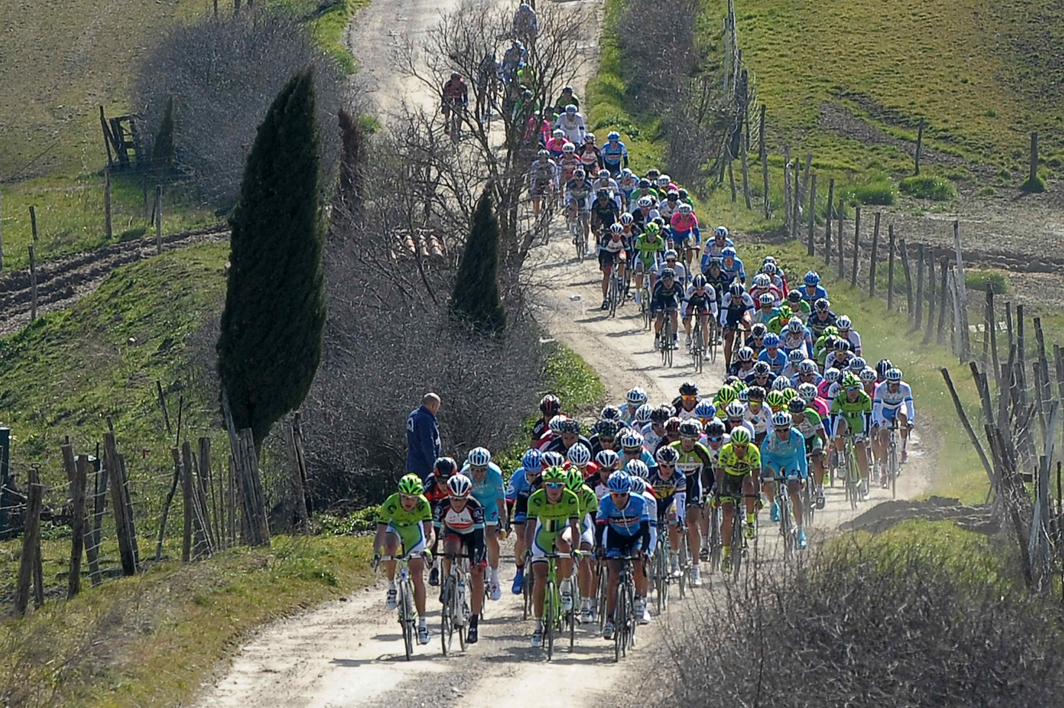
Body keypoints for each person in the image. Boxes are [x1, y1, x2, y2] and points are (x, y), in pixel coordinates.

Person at [373, 474, 435, 645]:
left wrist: (427, 549)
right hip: (395, 529)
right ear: (399, 495)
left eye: (413, 498)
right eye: (405, 497)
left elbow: (430, 533)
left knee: (417, 576)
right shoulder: (390, 504)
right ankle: (392, 586)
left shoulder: (423, 504)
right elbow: (380, 533)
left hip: (415, 531)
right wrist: (376, 552)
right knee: (390, 547)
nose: (409, 502)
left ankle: (423, 623)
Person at [524, 466, 583, 648]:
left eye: (559, 485)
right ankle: (538, 625)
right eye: (550, 485)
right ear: (544, 486)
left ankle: (565, 586)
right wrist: (527, 549)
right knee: (540, 579)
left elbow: (575, 527)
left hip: (562, 533)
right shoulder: (536, 499)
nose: (555, 489)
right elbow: (531, 527)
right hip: (542, 538)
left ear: (564, 486)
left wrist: (577, 550)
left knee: (564, 544)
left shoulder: (571, 499)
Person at [596, 471, 651, 640]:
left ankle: (638, 599)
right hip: (615, 538)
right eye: (615, 494)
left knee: (638, 561)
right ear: (610, 493)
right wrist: (599, 548)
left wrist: (645, 550)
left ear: (629, 492)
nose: (619, 498)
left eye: (623, 494)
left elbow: (646, 530)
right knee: (613, 573)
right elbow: (600, 529)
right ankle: (610, 619)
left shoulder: (639, 501)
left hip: (635, 538)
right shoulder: (605, 503)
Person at [434, 474, 487, 643]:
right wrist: (434, 561)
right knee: (449, 550)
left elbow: (480, 539)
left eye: (462, 499)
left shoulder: (475, 507)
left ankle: (474, 622)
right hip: (453, 533)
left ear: (468, 496)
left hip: (473, 537)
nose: (458, 503)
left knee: (477, 573)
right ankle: (449, 581)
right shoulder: (441, 506)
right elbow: (434, 535)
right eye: (454, 499)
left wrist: (477, 559)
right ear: (448, 496)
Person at [667, 419, 714, 586]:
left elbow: (709, 475)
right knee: (673, 521)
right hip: (673, 488)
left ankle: (695, 568)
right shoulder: (672, 450)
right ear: (680, 438)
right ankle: (674, 558)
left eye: (692, 440)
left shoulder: (701, 451)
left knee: (692, 522)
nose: (688, 443)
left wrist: (708, 494)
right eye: (685, 439)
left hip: (693, 487)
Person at [461, 447, 508, 600]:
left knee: (490, 536)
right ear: (470, 467)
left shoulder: (495, 475)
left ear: (488, 467)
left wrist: (504, 524)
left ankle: (494, 577)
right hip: (472, 504)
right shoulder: (464, 474)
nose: (478, 474)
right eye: (474, 469)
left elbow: (501, 503)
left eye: (482, 470)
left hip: (490, 505)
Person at [760, 411, 809, 549]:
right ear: (774, 429)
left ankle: (800, 530)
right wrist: (764, 477)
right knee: (768, 479)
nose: (782, 433)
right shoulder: (770, 439)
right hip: (773, 460)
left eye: (785, 429)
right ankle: (773, 504)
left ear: (790, 427)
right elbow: (764, 457)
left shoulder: (797, 437)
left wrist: (803, 477)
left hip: (790, 462)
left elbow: (801, 458)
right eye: (779, 430)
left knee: (794, 492)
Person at [714, 428, 761, 572]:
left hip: (744, 477)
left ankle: (750, 521)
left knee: (749, 485)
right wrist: (719, 493)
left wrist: (756, 495)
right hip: (729, 479)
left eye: (743, 447)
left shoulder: (753, 451)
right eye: (737, 446)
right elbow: (720, 474)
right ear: (733, 445)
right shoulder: (726, 451)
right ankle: (726, 554)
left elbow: (756, 476)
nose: (740, 450)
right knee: (728, 515)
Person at [831, 373, 874, 499]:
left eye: (855, 388)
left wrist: (865, 435)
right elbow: (834, 418)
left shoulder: (865, 398)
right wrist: (833, 436)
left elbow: (867, 417)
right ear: (845, 389)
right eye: (849, 389)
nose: (853, 392)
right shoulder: (839, 398)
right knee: (839, 428)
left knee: (861, 449)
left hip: (858, 421)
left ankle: (865, 483)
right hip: (845, 419)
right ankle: (841, 460)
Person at [507, 449, 543, 594]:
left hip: (540, 508)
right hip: (523, 506)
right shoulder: (518, 476)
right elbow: (508, 501)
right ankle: (519, 570)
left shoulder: (545, 477)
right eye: (530, 474)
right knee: (522, 535)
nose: (533, 477)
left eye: (536, 474)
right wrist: (505, 522)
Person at [872, 368, 915, 483]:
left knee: (903, 416)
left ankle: (903, 450)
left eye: (897, 384)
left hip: (898, 407)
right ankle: (884, 471)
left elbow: (909, 405)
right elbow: (875, 408)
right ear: (887, 382)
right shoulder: (880, 389)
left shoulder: (905, 388)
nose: (894, 387)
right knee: (884, 441)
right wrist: (876, 421)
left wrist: (910, 420)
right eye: (892, 384)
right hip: (884, 411)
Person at [406, 393, 442, 482]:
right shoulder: (425, 419)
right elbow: (427, 445)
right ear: (433, 405)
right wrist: (434, 466)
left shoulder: (413, 414)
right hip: (423, 465)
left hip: (412, 460)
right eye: (437, 407)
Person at [652, 267, 684, 350]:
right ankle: (657, 337)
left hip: (671, 299)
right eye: (665, 281)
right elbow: (654, 300)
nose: (668, 283)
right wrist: (653, 311)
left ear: (674, 280)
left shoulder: (678, 285)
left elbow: (682, 299)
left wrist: (683, 310)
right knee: (659, 317)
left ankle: (675, 338)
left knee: (673, 314)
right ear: (662, 280)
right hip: (660, 299)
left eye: (670, 280)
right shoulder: (658, 285)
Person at [528, 149, 559, 219]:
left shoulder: (552, 164)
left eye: (545, 159)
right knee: (536, 198)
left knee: (550, 191)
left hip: (548, 180)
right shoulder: (535, 165)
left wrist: (556, 188)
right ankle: (536, 216)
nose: (543, 161)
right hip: (538, 181)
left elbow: (555, 176)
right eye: (541, 159)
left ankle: (551, 211)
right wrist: (532, 189)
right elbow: (532, 177)